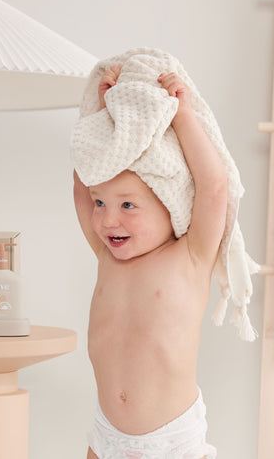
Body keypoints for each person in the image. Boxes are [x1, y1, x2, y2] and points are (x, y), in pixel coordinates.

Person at [73, 65, 227, 459]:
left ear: (169, 205)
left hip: (172, 441)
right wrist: (102, 115)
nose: (109, 220)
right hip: (107, 435)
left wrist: (183, 115)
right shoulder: (107, 257)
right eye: (100, 203)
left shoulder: (190, 256)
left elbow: (213, 187)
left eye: (128, 205)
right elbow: (82, 181)